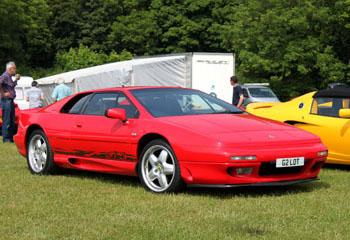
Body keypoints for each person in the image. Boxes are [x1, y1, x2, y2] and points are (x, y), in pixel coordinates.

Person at [0, 62, 21, 142]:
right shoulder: (5, 76)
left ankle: (10, 137)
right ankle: (6, 138)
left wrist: (16, 80)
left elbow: (11, 87)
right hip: (6, 100)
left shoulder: (9, 77)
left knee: (12, 120)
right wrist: (3, 93)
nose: (15, 70)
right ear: (10, 69)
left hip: (10, 100)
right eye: (14, 68)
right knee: (7, 119)